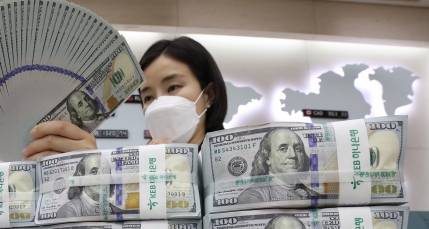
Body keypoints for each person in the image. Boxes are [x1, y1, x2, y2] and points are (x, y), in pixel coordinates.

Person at [22, 37, 227, 159]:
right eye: (148, 98)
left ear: (209, 94)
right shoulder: (137, 167)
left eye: (173, 87)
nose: (159, 103)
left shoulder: (232, 160)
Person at [237, 129, 323, 205]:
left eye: (297, 149)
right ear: (267, 158)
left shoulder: (315, 196)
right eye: (283, 149)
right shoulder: (253, 196)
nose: (293, 155)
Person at [56, 153, 109, 219]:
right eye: (94, 171)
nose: (102, 177)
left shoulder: (116, 211)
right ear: (81, 178)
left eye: (105, 171)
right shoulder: (69, 211)